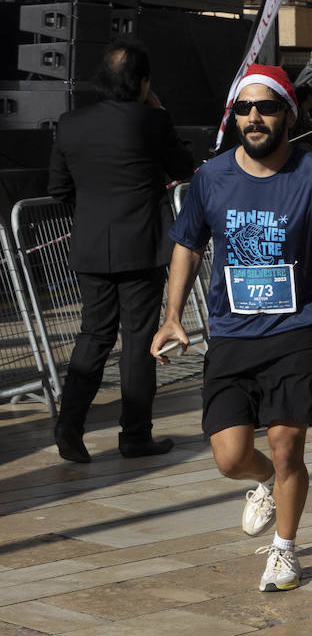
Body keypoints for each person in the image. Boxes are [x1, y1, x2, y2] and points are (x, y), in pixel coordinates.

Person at [152, 64, 312, 593]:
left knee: (288, 446)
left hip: (298, 330)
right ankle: (262, 481)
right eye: (244, 109)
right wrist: (172, 316)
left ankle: (285, 550)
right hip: (232, 335)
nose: (254, 118)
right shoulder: (212, 177)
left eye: (265, 107)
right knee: (230, 457)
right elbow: (187, 246)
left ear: (288, 113)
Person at [46, 37, 195, 464]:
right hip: (142, 246)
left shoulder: (69, 123)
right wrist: (160, 112)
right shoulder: (152, 122)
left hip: (91, 247)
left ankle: (69, 425)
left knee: (93, 334)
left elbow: (57, 189)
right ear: (144, 82)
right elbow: (183, 169)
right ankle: (134, 435)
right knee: (138, 340)